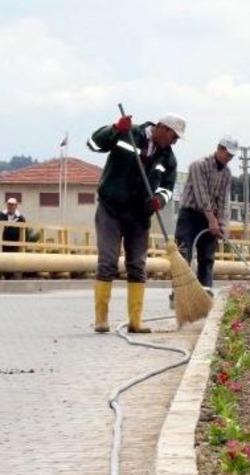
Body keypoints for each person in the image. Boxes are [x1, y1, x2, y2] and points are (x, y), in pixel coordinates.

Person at [87, 113, 184, 333]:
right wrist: (115, 128)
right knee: (108, 262)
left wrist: (159, 199)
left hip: (140, 215)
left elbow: (167, 187)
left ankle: (135, 321)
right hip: (111, 208)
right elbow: (94, 143)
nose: (175, 142)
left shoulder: (168, 158)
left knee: (138, 266)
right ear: (162, 128)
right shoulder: (129, 134)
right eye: (174, 136)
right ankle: (101, 319)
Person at [172, 135, 236, 305]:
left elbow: (223, 200)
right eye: (227, 154)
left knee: (207, 257)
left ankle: (204, 295)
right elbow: (202, 195)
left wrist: (221, 224)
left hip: (211, 217)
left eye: (231, 156)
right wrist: (212, 219)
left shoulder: (227, 173)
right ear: (220, 149)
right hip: (190, 215)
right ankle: (179, 295)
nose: (228, 158)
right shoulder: (198, 166)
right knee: (184, 254)